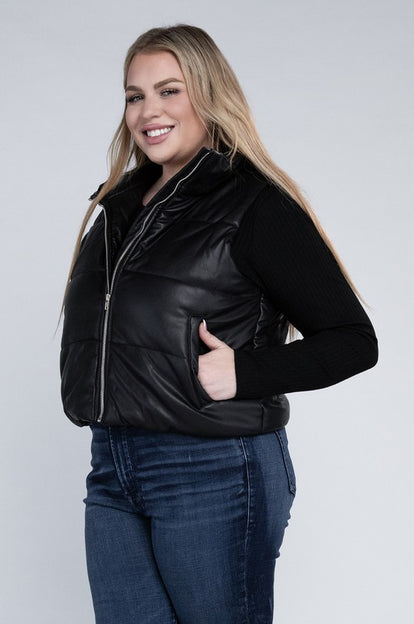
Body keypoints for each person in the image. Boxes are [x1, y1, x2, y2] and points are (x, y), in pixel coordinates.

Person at [59, 24, 378, 624]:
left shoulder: (254, 204)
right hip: (113, 465)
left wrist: (246, 373)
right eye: (134, 96)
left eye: (169, 91)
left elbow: (354, 341)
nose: (148, 111)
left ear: (208, 95)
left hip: (214, 468)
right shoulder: (117, 209)